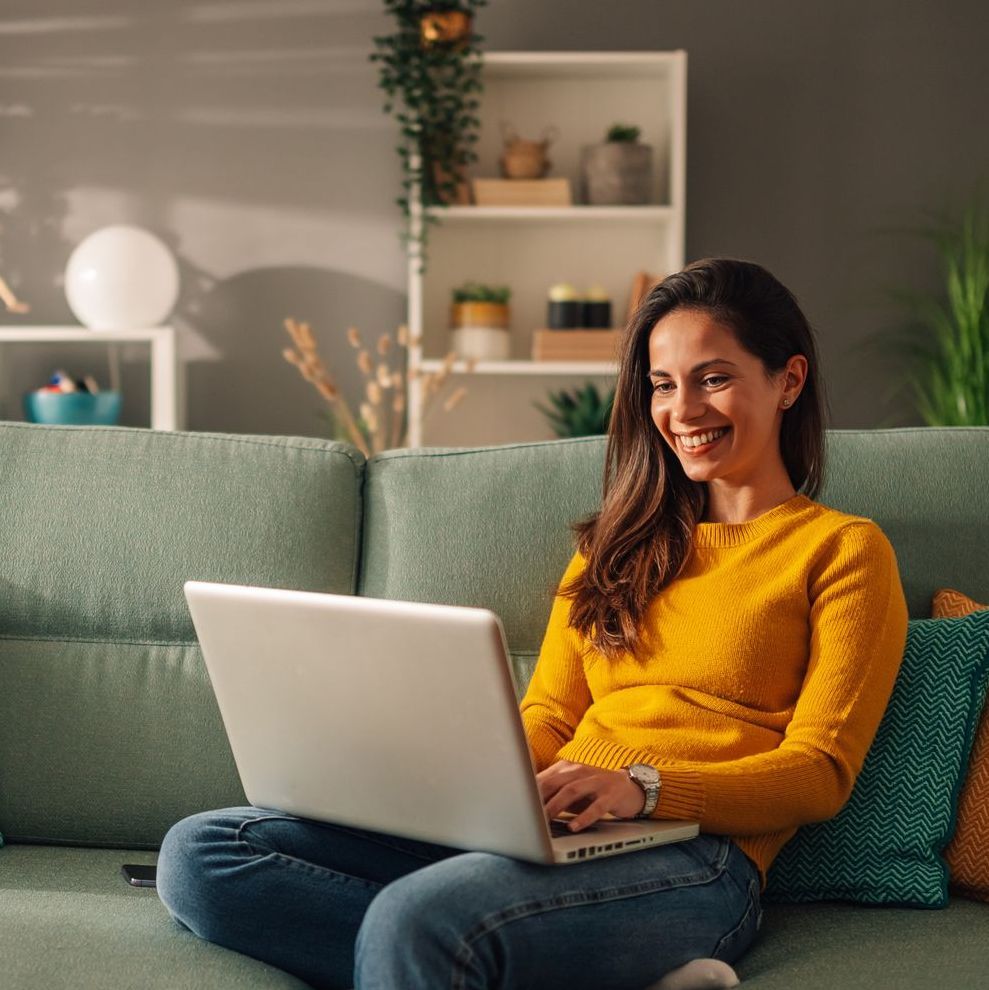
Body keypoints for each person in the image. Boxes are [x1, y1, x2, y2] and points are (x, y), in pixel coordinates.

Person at [155, 257, 909, 990]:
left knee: (419, 919)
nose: (683, 412)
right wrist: (452, 783)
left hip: (697, 860)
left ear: (788, 380)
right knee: (206, 853)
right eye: (661, 385)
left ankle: (465, 949)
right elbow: (548, 714)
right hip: (552, 829)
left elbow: (819, 775)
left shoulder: (842, 550)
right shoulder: (613, 548)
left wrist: (640, 789)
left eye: (713, 379)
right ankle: (559, 965)